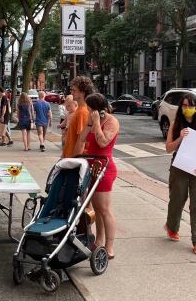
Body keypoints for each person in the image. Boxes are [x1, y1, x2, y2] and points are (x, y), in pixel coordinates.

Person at [164, 93, 196, 255]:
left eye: (191, 106)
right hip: (180, 166)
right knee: (177, 200)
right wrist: (180, 138)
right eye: (184, 106)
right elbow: (169, 148)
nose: (187, 109)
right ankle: (171, 226)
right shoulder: (176, 124)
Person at [77, 93, 119, 259]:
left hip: (104, 168)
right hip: (91, 167)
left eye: (89, 108)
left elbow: (103, 143)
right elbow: (81, 139)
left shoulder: (112, 122)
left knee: (104, 209)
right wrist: (90, 123)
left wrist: (96, 123)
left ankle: (109, 246)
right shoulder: (91, 120)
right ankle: (99, 239)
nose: (87, 110)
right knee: (96, 208)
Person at [63, 76, 95, 158]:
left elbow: (81, 141)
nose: (72, 93)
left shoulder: (83, 112)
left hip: (74, 159)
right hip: (70, 157)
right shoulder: (79, 110)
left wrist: (73, 161)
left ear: (83, 92)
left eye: (74, 90)